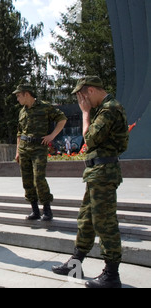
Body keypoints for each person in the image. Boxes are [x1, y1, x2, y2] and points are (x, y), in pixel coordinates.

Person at [52, 76, 129, 288]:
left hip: (103, 173)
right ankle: (75, 263)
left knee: (105, 223)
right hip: (98, 172)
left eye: (81, 96)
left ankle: (111, 276)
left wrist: (85, 113)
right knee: (86, 220)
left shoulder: (110, 109)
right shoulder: (105, 109)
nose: (81, 101)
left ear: (91, 91)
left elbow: (89, 138)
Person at [14, 84, 67, 221]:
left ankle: (47, 210)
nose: (17, 98)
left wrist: (52, 136)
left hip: (39, 148)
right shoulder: (22, 111)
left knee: (39, 179)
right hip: (24, 148)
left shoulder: (45, 107)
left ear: (26, 94)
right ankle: (35, 210)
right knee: (27, 180)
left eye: (19, 95)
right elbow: (19, 132)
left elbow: (62, 119)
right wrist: (18, 151)